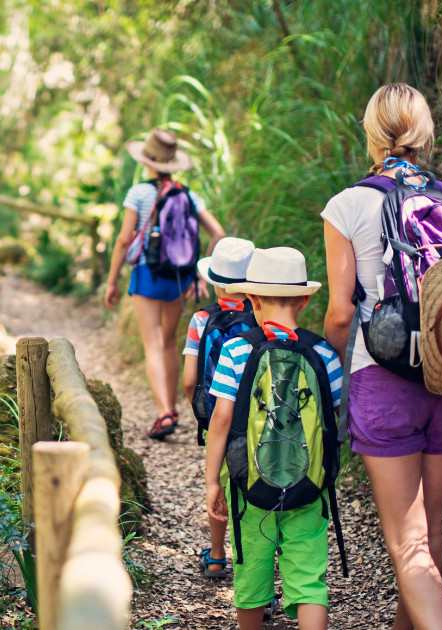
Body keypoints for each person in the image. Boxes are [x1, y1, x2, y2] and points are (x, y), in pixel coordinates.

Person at [321, 83, 442, 630]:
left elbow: (341, 312)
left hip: (384, 378)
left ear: (371, 132)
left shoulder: (347, 205)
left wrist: (330, 374)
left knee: (406, 542)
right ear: (424, 131)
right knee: (430, 529)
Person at [203, 247, 342, 630]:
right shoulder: (324, 353)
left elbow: (221, 419)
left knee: (251, 574)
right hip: (309, 485)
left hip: (250, 485)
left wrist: (212, 480)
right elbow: (336, 422)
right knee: (309, 581)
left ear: (252, 297)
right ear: (305, 298)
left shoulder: (237, 349)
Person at [105, 128, 226, 440]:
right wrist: (201, 276)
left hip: (147, 274)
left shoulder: (139, 194)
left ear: (147, 161)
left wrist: (111, 282)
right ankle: (172, 405)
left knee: (152, 344)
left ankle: (165, 413)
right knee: (170, 341)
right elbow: (219, 234)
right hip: (179, 276)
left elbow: (123, 240)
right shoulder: (188, 194)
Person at [181, 237, 257, 578]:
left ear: (215, 284)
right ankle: (259, 574)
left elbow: (188, 378)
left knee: (220, 486)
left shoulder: (201, 320)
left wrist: (203, 411)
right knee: (257, 491)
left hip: (219, 421)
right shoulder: (264, 317)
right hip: (259, 421)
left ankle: (215, 555)